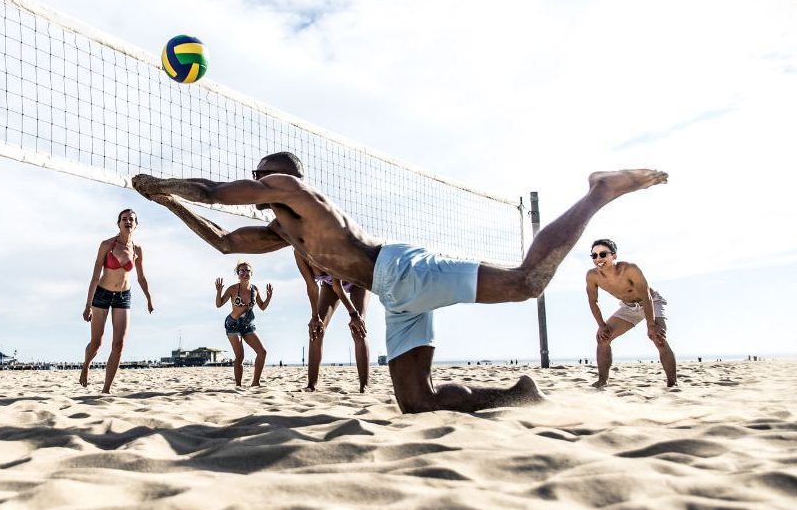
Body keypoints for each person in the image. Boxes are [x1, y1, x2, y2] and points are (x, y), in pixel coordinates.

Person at [132, 152, 668, 413]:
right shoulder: (282, 230)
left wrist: (169, 182)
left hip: (401, 270)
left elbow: (217, 191)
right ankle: (515, 395)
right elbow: (225, 242)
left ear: (280, 177)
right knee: (416, 402)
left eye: (262, 174)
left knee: (528, 282)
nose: (257, 181)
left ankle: (598, 192)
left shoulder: (295, 193)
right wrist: (169, 201)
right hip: (395, 293)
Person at [79, 209, 154, 393]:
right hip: (102, 294)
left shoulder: (137, 250)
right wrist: (88, 305)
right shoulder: (106, 245)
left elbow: (141, 278)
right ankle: (86, 365)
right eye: (124, 219)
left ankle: (106, 389)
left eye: (131, 219)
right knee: (97, 343)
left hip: (123, 296)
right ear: (118, 223)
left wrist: (149, 299)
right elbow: (95, 276)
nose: (128, 222)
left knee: (118, 345)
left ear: (136, 225)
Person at [585, 238, 677, 388]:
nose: (598, 259)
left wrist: (651, 324)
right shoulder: (592, 276)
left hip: (651, 302)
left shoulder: (630, 269)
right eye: (594, 256)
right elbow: (593, 301)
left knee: (658, 337)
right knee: (602, 338)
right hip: (628, 307)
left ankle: (672, 384)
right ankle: (602, 381)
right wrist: (601, 325)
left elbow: (646, 296)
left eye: (602, 254)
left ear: (613, 256)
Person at [295, 252, 369, 392]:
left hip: (358, 278)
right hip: (330, 285)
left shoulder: (325, 244)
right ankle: (312, 385)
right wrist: (315, 317)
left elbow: (338, 285)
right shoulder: (298, 253)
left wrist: (354, 315)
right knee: (316, 329)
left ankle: (364, 386)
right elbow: (312, 287)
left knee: (358, 328)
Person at [215, 261, 273, 386]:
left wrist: (268, 298)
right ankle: (238, 386)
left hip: (247, 324)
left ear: (251, 273)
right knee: (240, 357)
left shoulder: (254, 289)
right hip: (233, 324)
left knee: (262, 352)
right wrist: (219, 291)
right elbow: (219, 304)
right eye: (241, 271)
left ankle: (255, 383)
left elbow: (262, 307)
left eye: (247, 271)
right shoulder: (233, 289)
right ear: (238, 274)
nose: (244, 273)